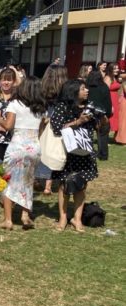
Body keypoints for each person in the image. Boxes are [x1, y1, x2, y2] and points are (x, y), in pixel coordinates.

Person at [0, 76, 46, 229]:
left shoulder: (15, 104)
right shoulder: (40, 107)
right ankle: (25, 215)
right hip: (34, 147)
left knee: (9, 181)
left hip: (17, 145)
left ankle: (8, 220)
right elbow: (41, 131)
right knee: (28, 180)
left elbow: (8, 126)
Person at [49, 80, 99, 231]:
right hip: (67, 151)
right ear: (74, 91)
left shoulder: (90, 106)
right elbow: (57, 128)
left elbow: (96, 128)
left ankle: (77, 219)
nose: (87, 91)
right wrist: (78, 121)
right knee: (64, 184)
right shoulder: (62, 107)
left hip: (84, 151)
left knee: (81, 185)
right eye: (83, 89)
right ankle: (63, 217)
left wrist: (99, 119)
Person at [36, 64, 70, 195]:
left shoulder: (42, 88)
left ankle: (38, 178)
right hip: (56, 122)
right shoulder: (65, 91)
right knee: (54, 148)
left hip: (42, 121)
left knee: (42, 147)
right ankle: (48, 185)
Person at [85, 62, 112, 160]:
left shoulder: (86, 87)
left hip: (88, 113)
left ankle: (87, 152)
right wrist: (108, 114)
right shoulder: (104, 87)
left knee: (87, 134)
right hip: (102, 114)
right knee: (103, 135)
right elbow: (108, 103)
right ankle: (103, 155)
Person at [109, 67, 120, 142]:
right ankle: (105, 139)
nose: (117, 70)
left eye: (117, 68)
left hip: (116, 99)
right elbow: (105, 90)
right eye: (115, 68)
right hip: (110, 99)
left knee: (116, 118)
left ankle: (115, 138)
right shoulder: (108, 78)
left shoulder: (116, 78)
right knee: (109, 118)